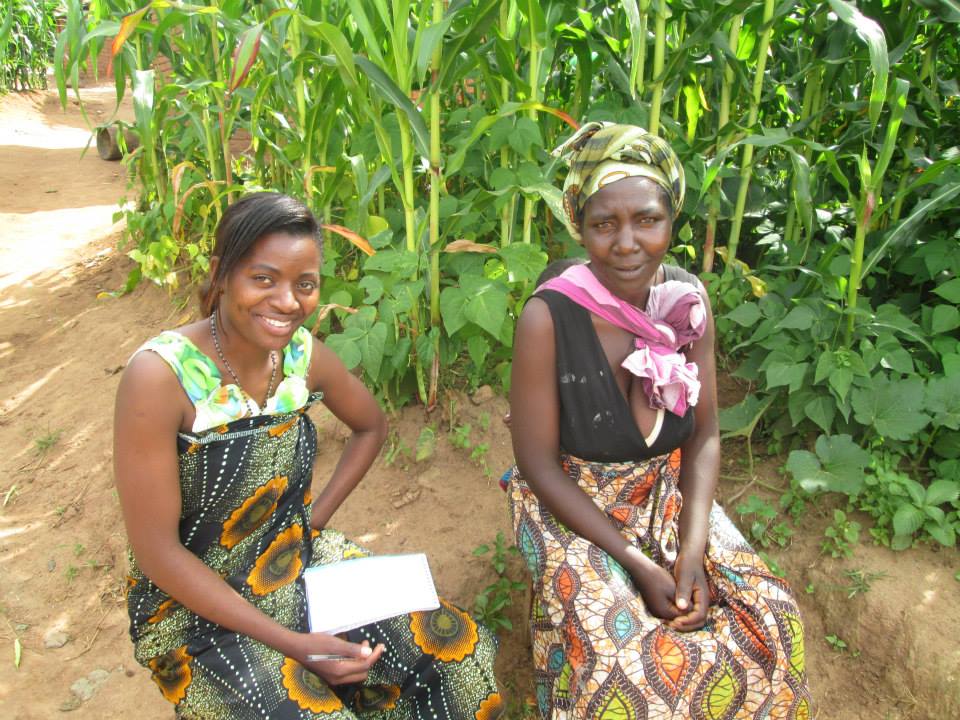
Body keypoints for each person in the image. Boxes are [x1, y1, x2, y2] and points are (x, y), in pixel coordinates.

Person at [114, 192, 502, 719]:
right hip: (191, 612)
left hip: (292, 564)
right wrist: (294, 644)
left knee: (459, 653)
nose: (287, 301)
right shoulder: (160, 377)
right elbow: (158, 553)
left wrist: (307, 524)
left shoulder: (301, 356)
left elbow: (370, 426)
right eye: (264, 279)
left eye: (305, 284)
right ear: (221, 274)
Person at [506, 123, 811, 719]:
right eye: (603, 224)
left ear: (671, 220)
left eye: (647, 219)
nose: (626, 243)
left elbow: (704, 435)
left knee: (774, 620)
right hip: (571, 500)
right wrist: (641, 565)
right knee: (624, 665)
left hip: (663, 492)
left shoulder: (686, 300)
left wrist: (691, 551)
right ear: (581, 227)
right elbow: (537, 462)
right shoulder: (548, 319)